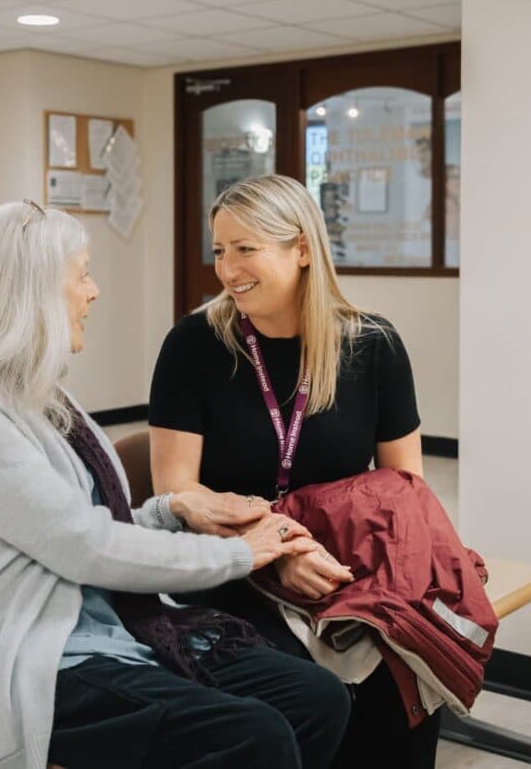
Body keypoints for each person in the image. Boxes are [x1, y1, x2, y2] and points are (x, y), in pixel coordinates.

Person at [0, 200, 352, 769]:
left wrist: (175, 512)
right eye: (81, 274)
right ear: (30, 293)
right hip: (28, 658)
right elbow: (85, 547)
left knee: (317, 698)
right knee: (251, 736)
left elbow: (83, 526)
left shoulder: (39, 395)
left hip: (97, 628)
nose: (94, 291)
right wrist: (236, 553)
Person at [148, 175, 441, 769]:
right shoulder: (194, 345)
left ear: (301, 249)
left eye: (245, 248)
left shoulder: (373, 345)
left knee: (405, 666)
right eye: (219, 250)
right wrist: (278, 548)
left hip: (340, 562)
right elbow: (177, 490)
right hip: (231, 568)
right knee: (310, 684)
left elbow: (405, 489)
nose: (227, 269)